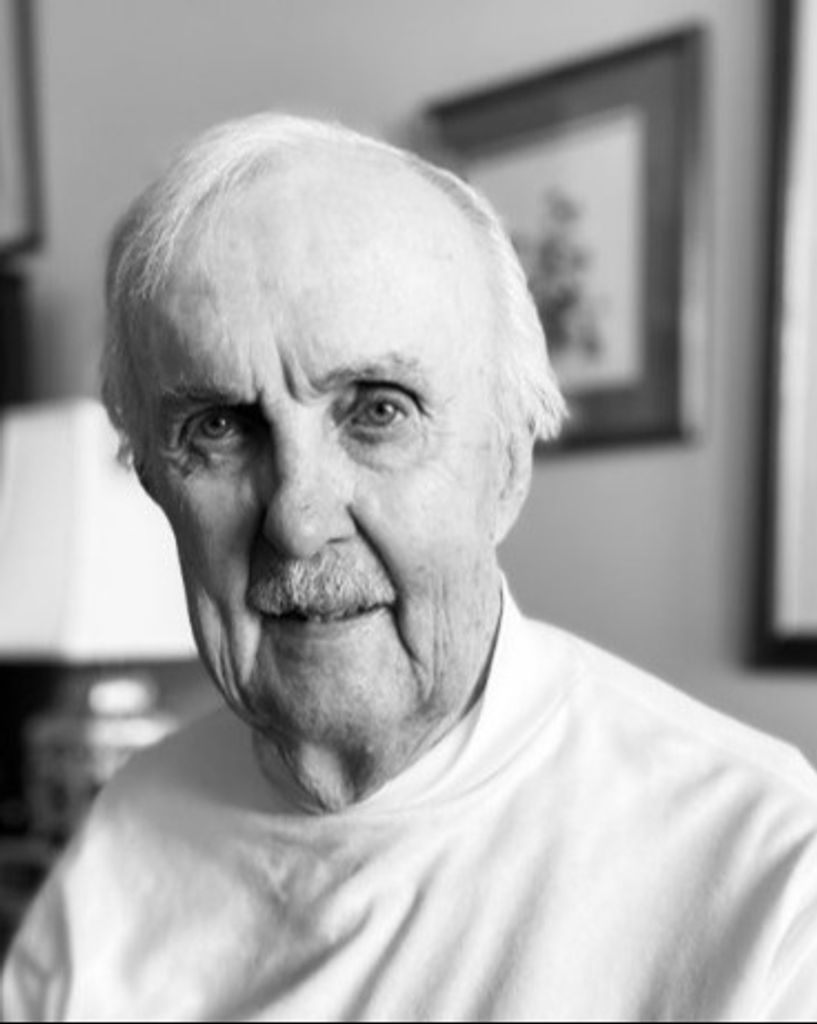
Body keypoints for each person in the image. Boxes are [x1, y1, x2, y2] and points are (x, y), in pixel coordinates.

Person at [2, 114, 817, 1022]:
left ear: (507, 464)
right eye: (221, 428)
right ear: (154, 481)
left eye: (378, 412)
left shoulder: (771, 881)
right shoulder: (127, 828)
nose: (299, 521)